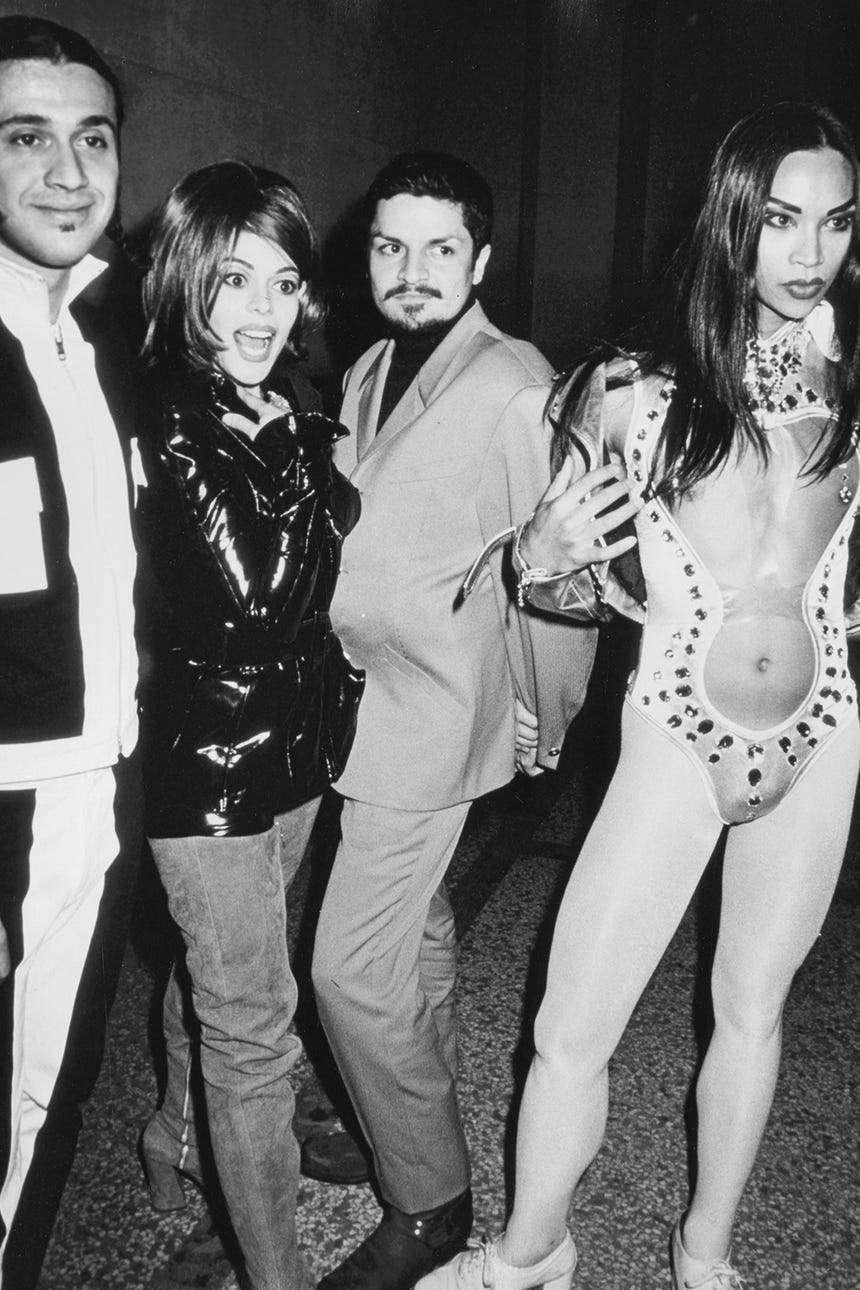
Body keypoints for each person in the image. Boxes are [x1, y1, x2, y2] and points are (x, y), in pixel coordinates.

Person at [417, 103, 860, 1290]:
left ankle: (704, 1255)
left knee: (751, 1011)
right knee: (571, 1026)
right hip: (672, 739)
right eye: (778, 220)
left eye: (832, 224)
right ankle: (528, 1255)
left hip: (821, 740)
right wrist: (536, 555)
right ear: (730, 221)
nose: (807, 251)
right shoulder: (627, 392)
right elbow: (558, 588)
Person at [309, 152, 597, 1290]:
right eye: (389, 247)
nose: (412, 271)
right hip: (358, 702)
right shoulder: (371, 365)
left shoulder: (515, 382)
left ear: (479, 259)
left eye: (439, 249)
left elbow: (569, 576)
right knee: (417, 935)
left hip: (429, 714)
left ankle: (427, 1200)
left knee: (347, 972)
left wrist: (545, 719)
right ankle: (401, 1118)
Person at [135, 160, 363, 1290]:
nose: (264, 311)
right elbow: (266, 593)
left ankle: (172, 1147)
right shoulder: (176, 416)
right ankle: (272, 1275)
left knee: (214, 975)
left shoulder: (279, 406)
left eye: (283, 282)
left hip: (296, 746)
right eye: (235, 281)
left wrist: (305, 446)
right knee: (249, 1027)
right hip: (210, 762)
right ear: (187, 284)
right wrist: (315, 458)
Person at [0, 17, 142, 1289]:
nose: (66, 172)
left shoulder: (105, 334)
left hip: (97, 781)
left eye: (90, 139)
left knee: (50, 1089)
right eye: (25, 138)